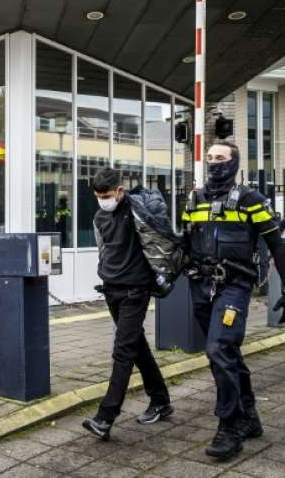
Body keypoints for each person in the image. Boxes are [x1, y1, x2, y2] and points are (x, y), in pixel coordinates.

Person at [181, 140, 285, 460]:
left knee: (219, 349)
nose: (214, 162)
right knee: (225, 353)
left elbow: (276, 244)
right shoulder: (195, 199)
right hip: (201, 286)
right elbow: (184, 242)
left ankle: (229, 427)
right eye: (210, 157)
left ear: (234, 163)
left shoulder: (250, 199)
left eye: (220, 157)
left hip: (234, 286)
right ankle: (249, 416)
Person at [82, 168, 173, 441]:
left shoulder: (137, 211)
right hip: (112, 288)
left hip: (136, 289)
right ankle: (161, 401)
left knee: (122, 351)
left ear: (120, 191)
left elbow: (160, 235)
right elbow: (103, 249)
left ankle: (105, 417)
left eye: (107, 195)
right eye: (98, 197)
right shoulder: (99, 217)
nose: (103, 201)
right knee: (136, 347)